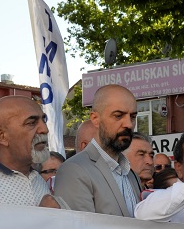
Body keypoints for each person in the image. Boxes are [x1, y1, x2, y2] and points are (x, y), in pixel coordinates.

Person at [53, 84, 140, 216]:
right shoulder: (74, 171)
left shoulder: (130, 173)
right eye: (118, 116)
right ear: (95, 119)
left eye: (132, 117)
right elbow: (79, 228)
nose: (128, 124)